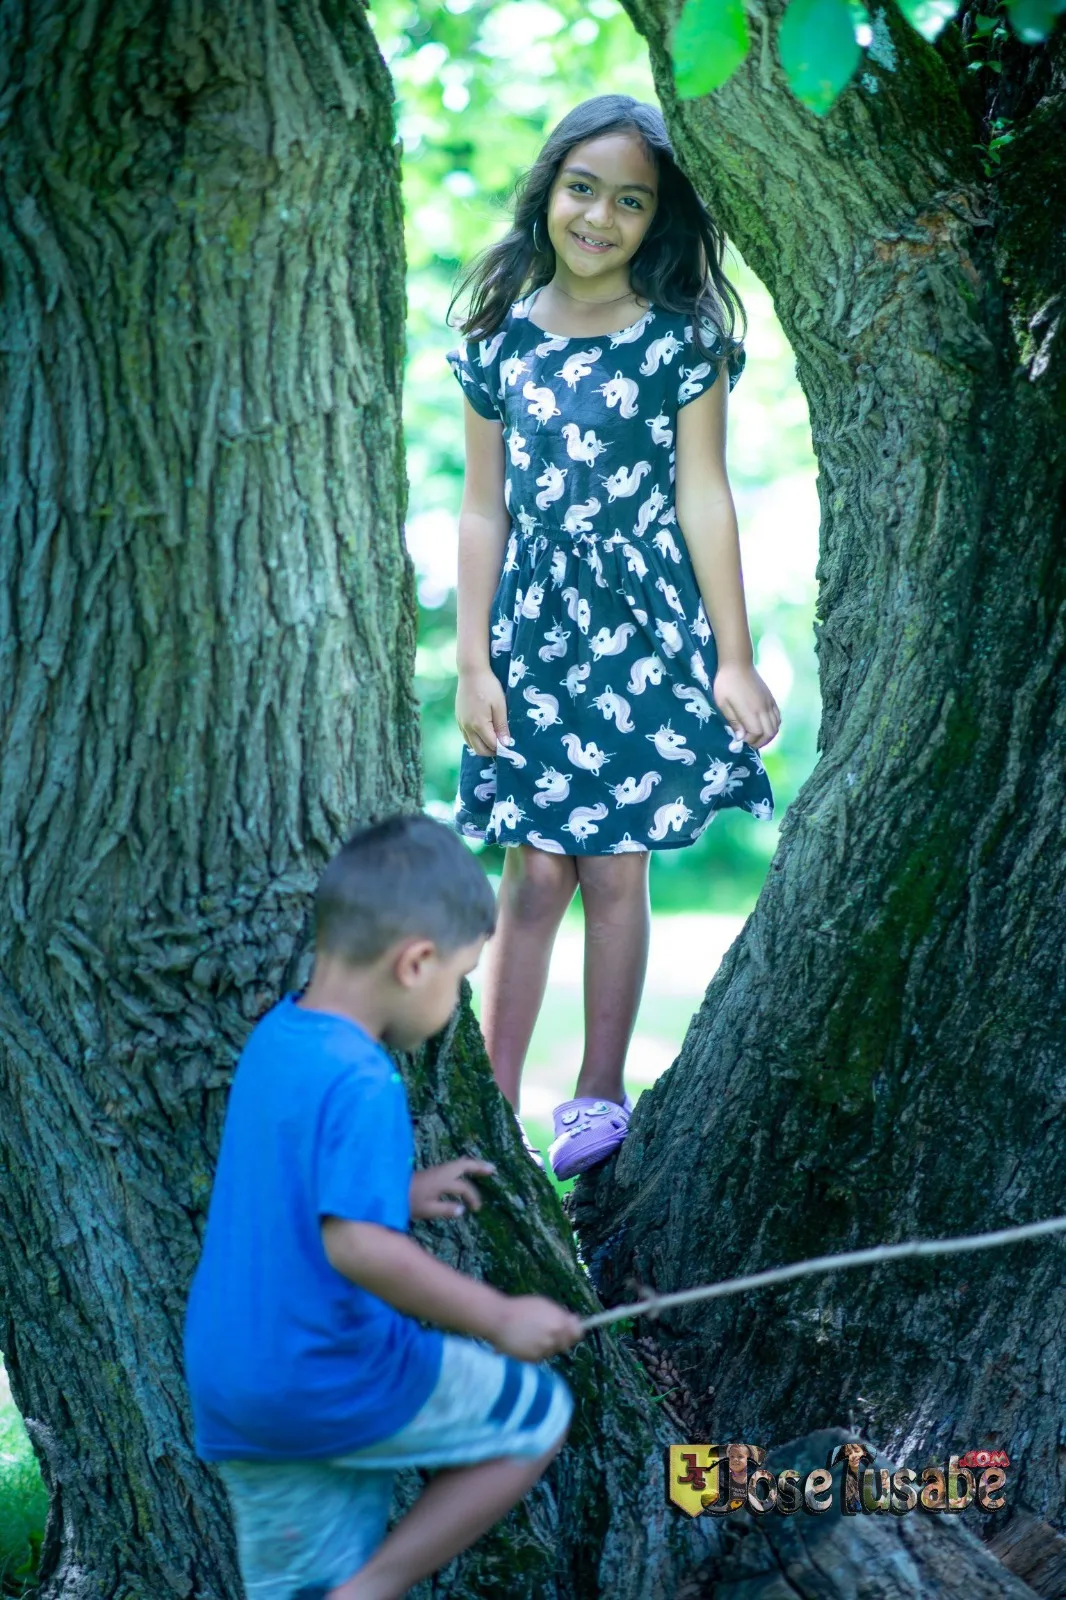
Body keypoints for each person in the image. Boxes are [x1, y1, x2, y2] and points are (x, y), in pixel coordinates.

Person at [445, 94, 782, 1181]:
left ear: (655, 221)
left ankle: (595, 1095)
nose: (598, 216)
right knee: (531, 872)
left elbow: (705, 500)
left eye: (629, 202)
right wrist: (470, 658)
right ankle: (491, 1102)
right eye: (581, 189)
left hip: (640, 629)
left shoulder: (678, 343)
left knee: (611, 867)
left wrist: (731, 654)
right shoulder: (498, 341)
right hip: (532, 632)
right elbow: (482, 508)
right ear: (548, 190)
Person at [182, 813, 585, 1600]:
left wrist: (395, 1193)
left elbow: (286, 1184)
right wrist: (498, 1319)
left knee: (300, 1587)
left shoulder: (280, 1039)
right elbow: (357, 1249)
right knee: (535, 1412)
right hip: (330, 1370)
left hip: (235, 1381)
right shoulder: (364, 1078)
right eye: (459, 978)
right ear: (416, 963)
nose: (455, 997)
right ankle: (379, 1584)